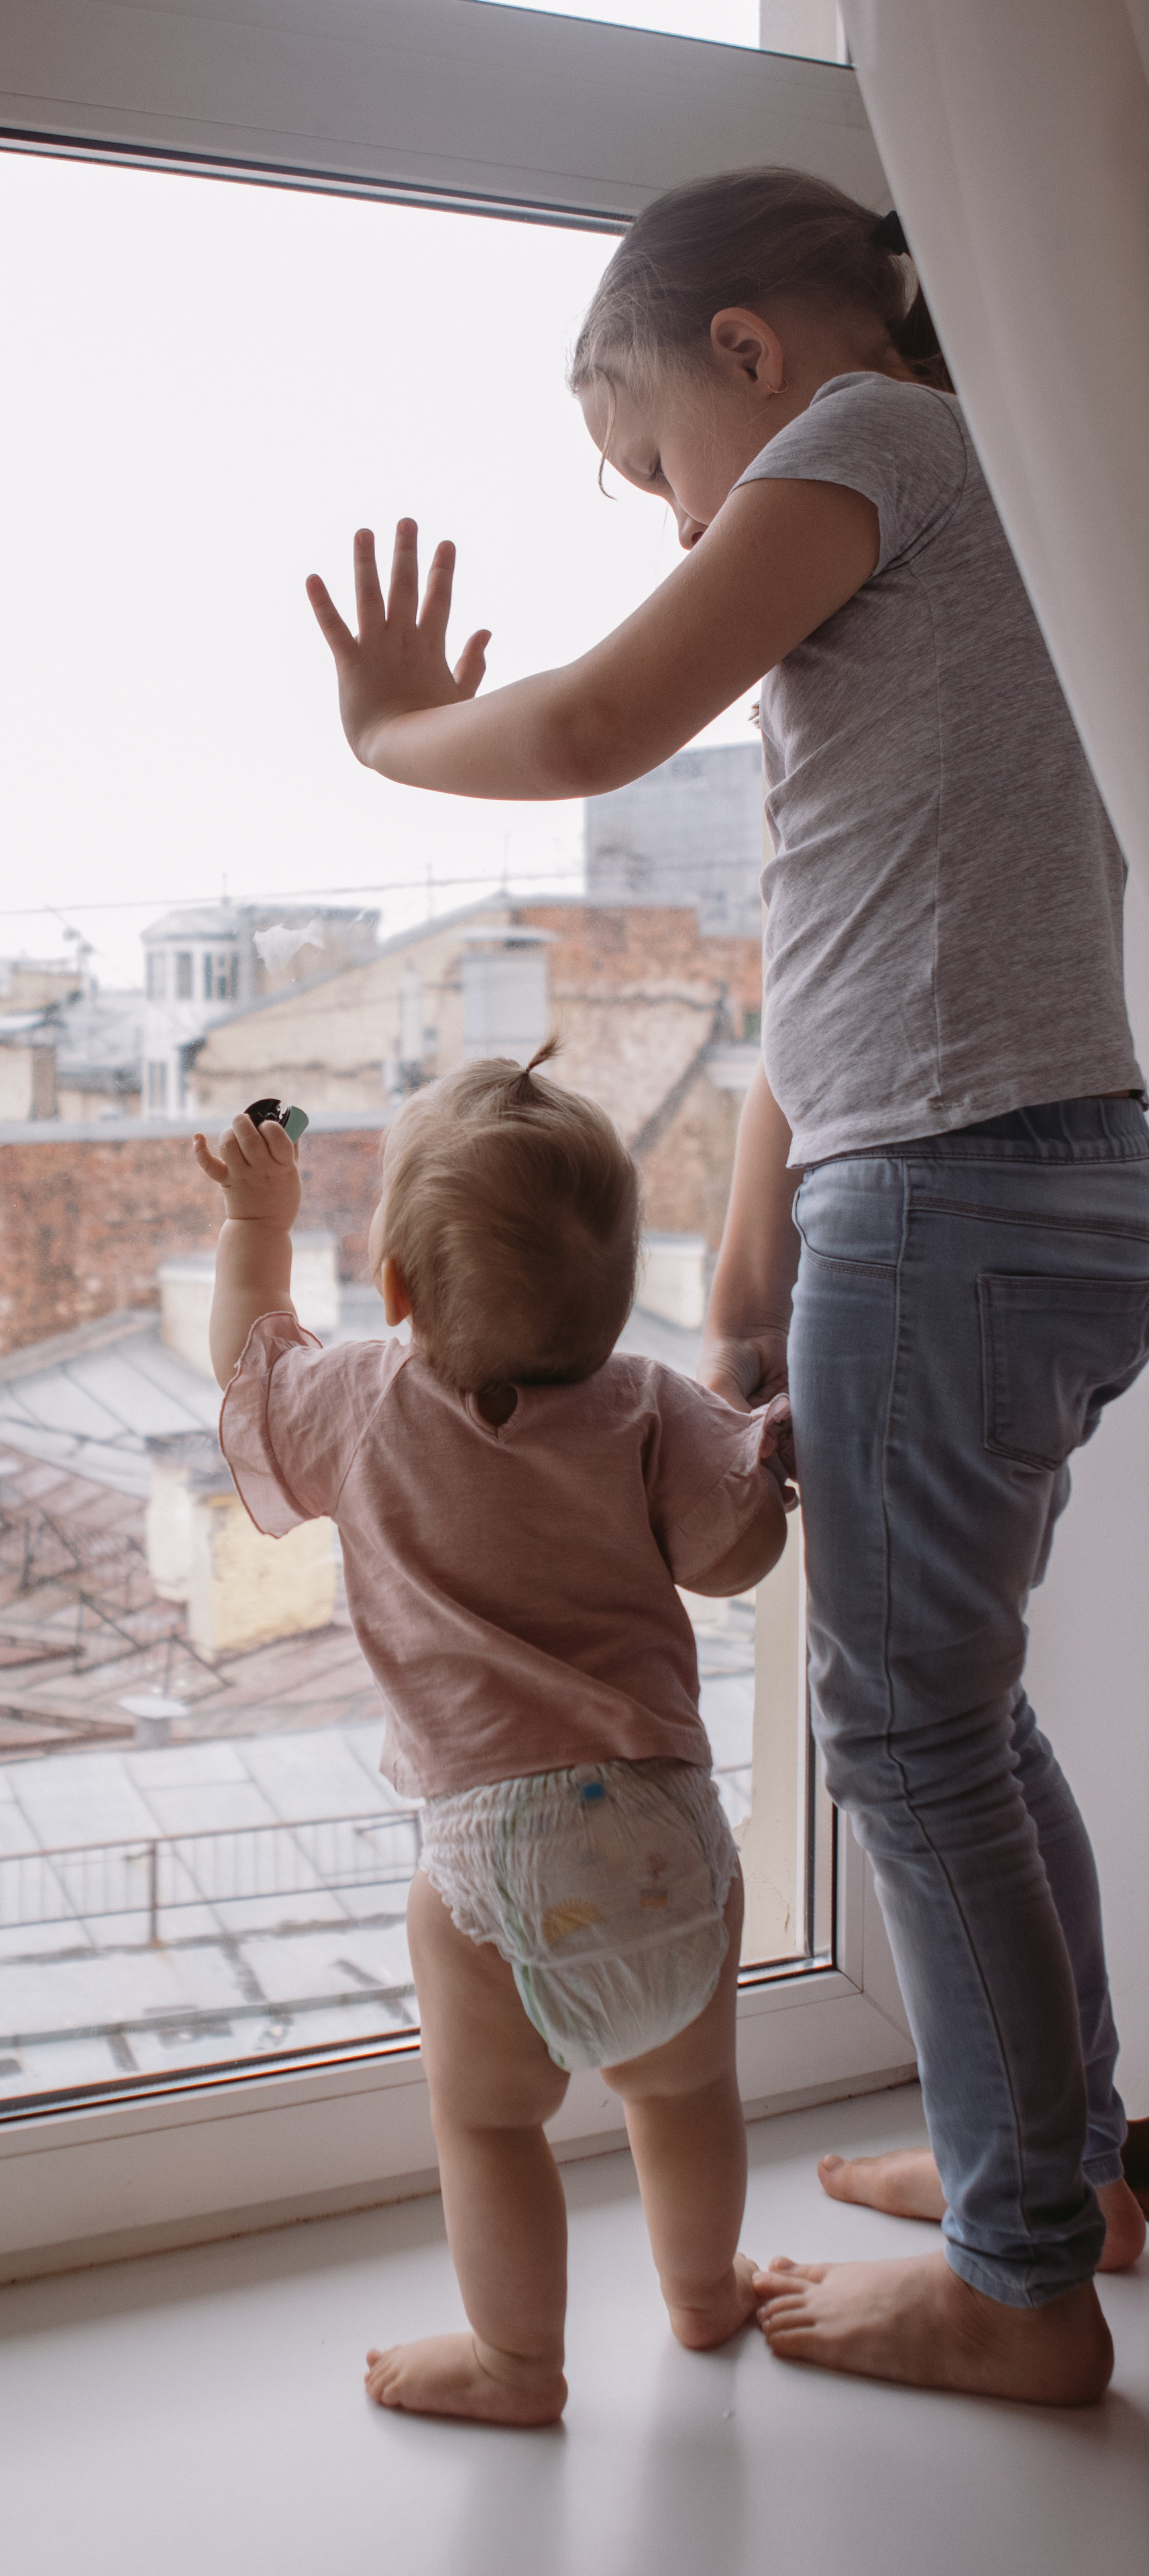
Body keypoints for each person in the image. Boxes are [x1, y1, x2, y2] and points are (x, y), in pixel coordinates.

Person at [303, 165, 1147, 2406]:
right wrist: (763, 1225)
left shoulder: (868, 443)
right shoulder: (1002, 517)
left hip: (956, 1183)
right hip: (1027, 1155)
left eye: (658, 464)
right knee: (966, 1718)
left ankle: (1021, 2278)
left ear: (749, 357)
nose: (682, 532)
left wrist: (389, 743)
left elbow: (585, 733)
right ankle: (1063, 2171)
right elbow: (831, 937)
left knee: (909, 1738)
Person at [193, 1063, 791, 2424]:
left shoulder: (352, 1403)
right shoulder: (648, 1405)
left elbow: (249, 1360)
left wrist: (258, 1223)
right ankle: (701, 2293)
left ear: (396, 1291)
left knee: (488, 2123)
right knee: (687, 2090)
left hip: (490, 1864)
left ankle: (519, 2364)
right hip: (669, 1834)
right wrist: (748, 1434)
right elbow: (737, 1554)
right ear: (622, 1282)